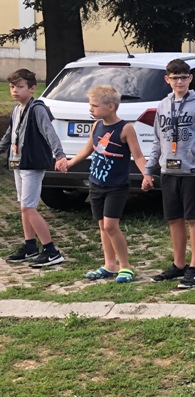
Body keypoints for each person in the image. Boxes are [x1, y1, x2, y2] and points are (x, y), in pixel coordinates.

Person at [55, 86, 148, 282]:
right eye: (90, 105)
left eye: (95, 106)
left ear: (111, 106)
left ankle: (125, 266)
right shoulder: (97, 125)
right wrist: (69, 163)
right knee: (102, 226)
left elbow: (138, 156)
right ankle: (109, 265)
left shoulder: (125, 129)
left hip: (116, 186)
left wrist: (146, 175)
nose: (91, 109)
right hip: (96, 184)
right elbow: (88, 149)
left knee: (111, 226)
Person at [141, 59, 195, 289]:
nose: (180, 82)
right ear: (167, 80)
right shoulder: (163, 105)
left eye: (184, 77)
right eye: (175, 78)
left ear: (190, 78)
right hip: (169, 171)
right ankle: (179, 264)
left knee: (193, 218)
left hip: (194, 171)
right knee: (174, 219)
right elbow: (157, 141)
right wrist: (148, 171)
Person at [0, 69, 68, 268]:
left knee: (28, 207)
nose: (15, 90)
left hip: (32, 164)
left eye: (20, 87)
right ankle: (30, 246)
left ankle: (51, 251)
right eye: (12, 87)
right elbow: (10, 135)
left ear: (32, 89)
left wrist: (60, 155)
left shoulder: (37, 109)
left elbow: (49, 133)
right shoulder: (17, 109)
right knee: (23, 205)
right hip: (18, 162)